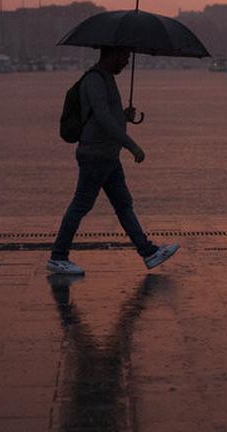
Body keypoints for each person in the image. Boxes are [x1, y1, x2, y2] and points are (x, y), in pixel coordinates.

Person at [48, 46, 179, 275]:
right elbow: (102, 118)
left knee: (123, 204)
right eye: (124, 57)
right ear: (112, 55)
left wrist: (124, 116)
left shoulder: (107, 78)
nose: (127, 62)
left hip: (108, 156)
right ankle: (58, 256)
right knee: (81, 204)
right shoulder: (95, 80)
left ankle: (148, 252)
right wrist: (132, 145)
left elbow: (109, 116)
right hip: (95, 155)